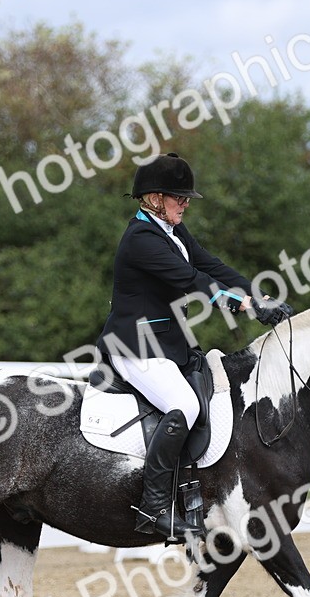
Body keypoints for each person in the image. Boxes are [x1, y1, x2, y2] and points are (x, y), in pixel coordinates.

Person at [96, 152, 293, 543]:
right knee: (183, 405)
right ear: (153, 198)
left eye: (186, 197)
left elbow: (211, 266)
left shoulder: (171, 230)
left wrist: (257, 294)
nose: (185, 203)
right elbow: (191, 279)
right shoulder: (140, 239)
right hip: (134, 346)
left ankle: (195, 494)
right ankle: (153, 508)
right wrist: (245, 306)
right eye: (178, 197)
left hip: (169, 343)